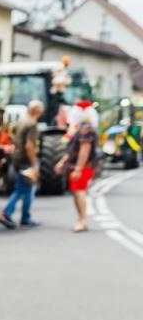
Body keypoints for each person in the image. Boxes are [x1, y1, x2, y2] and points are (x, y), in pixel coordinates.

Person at [56, 98, 98, 232]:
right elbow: (72, 149)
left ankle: (83, 220)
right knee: (76, 192)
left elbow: (84, 150)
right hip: (75, 166)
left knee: (79, 192)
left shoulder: (86, 130)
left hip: (82, 166)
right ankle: (80, 219)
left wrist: (79, 168)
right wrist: (62, 162)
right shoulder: (79, 129)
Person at [0, 100, 42, 229]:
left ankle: (25, 217)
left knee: (27, 189)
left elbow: (11, 135)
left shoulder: (22, 121)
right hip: (26, 160)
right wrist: (34, 164)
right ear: (37, 111)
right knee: (22, 189)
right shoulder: (32, 124)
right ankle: (6, 213)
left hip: (17, 158)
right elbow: (29, 146)